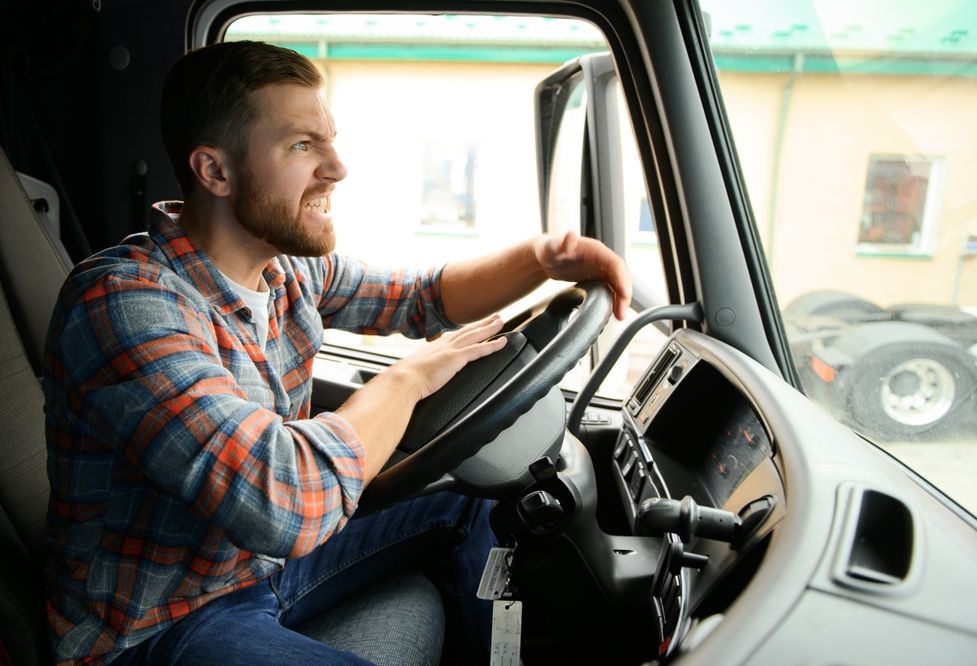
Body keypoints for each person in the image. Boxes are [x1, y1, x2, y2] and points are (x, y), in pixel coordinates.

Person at [42, 40, 631, 665]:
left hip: (257, 568)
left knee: (467, 497)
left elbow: (422, 297)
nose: (337, 168)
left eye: (329, 140)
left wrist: (543, 258)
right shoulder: (123, 305)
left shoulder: (284, 271)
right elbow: (284, 502)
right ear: (215, 171)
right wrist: (405, 382)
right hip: (154, 625)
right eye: (302, 145)